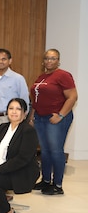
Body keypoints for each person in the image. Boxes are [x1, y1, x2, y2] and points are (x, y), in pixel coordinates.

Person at [30, 49, 77, 195]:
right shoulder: (42, 76)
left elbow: (72, 97)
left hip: (56, 119)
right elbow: (35, 98)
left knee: (56, 151)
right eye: (47, 58)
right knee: (45, 151)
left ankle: (57, 185)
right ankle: (45, 181)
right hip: (40, 118)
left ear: (58, 60)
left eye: (53, 58)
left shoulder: (63, 75)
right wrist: (32, 116)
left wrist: (61, 115)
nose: (49, 61)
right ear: (43, 61)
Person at [0, 49, 30, 125]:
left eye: (4, 59)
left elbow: (24, 100)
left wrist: (22, 117)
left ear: (10, 61)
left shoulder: (18, 78)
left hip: (9, 118)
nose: (0, 62)